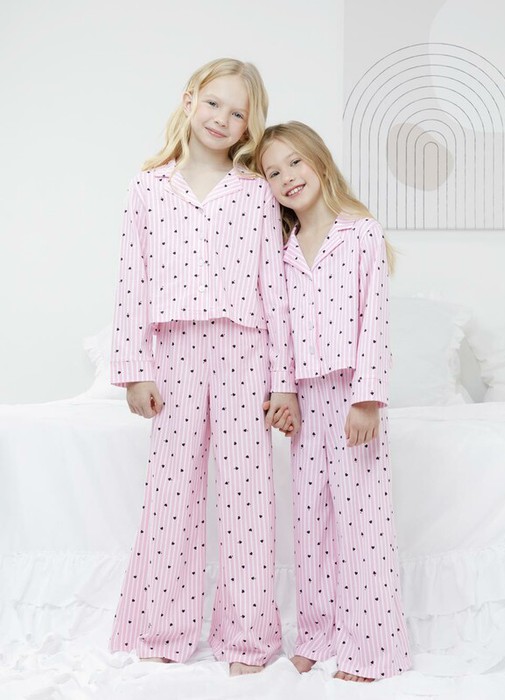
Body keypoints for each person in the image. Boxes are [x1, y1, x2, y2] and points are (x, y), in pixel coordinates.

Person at [108, 58, 300, 677]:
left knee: (248, 496)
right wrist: (134, 367)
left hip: (245, 351)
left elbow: (275, 288)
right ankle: (163, 628)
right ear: (190, 99)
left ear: (249, 126)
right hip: (173, 355)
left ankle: (248, 638)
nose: (222, 118)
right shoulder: (148, 188)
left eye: (237, 112)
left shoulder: (255, 192)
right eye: (214, 103)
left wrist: (284, 381)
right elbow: (132, 281)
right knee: (172, 494)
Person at [257, 121, 411, 682]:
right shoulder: (280, 252)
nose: (287, 177)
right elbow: (278, 330)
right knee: (311, 522)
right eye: (273, 172)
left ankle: (373, 649)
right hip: (305, 399)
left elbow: (375, 321)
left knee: (361, 523)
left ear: (319, 161)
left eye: (295, 162)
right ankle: (318, 636)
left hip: (351, 395)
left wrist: (368, 399)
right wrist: (284, 391)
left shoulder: (360, 232)